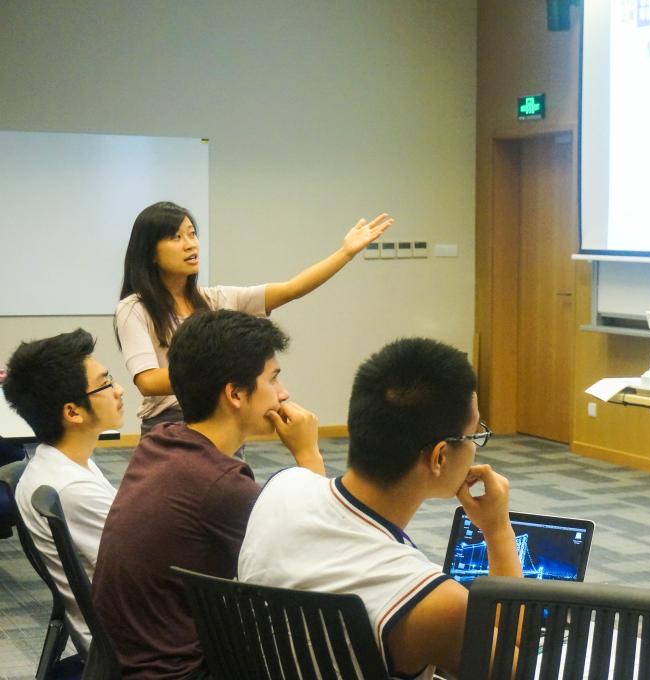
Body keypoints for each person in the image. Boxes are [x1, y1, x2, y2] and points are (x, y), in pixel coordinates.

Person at [238, 338, 521, 679]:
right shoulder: (436, 603)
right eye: (474, 436)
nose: (476, 448)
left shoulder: (280, 489)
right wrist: (497, 530)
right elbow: (516, 664)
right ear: (440, 457)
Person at [93, 310, 325, 679]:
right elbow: (317, 554)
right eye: (274, 379)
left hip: (122, 665)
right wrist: (309, 454)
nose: (283, 394)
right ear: (235, 393)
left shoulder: (161, 441)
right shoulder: (220, 485)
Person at [116, 201, 392, 434]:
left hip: (222, 415)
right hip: (170, 424)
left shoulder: (214, 299)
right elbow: (148, 382)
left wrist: (345, 253)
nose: (190, 245)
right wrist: (217, 373)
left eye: (191, 234)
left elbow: (291, 289)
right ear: (150, 253)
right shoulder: (135, 308)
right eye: (176, 237)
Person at [3, 329, 124, 646]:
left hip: (114, 627)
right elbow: (142, 572)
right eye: (106, 383)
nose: (119, 390)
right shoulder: (72, 488)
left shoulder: (60, 461)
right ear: (72, 412)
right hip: (128, 643)